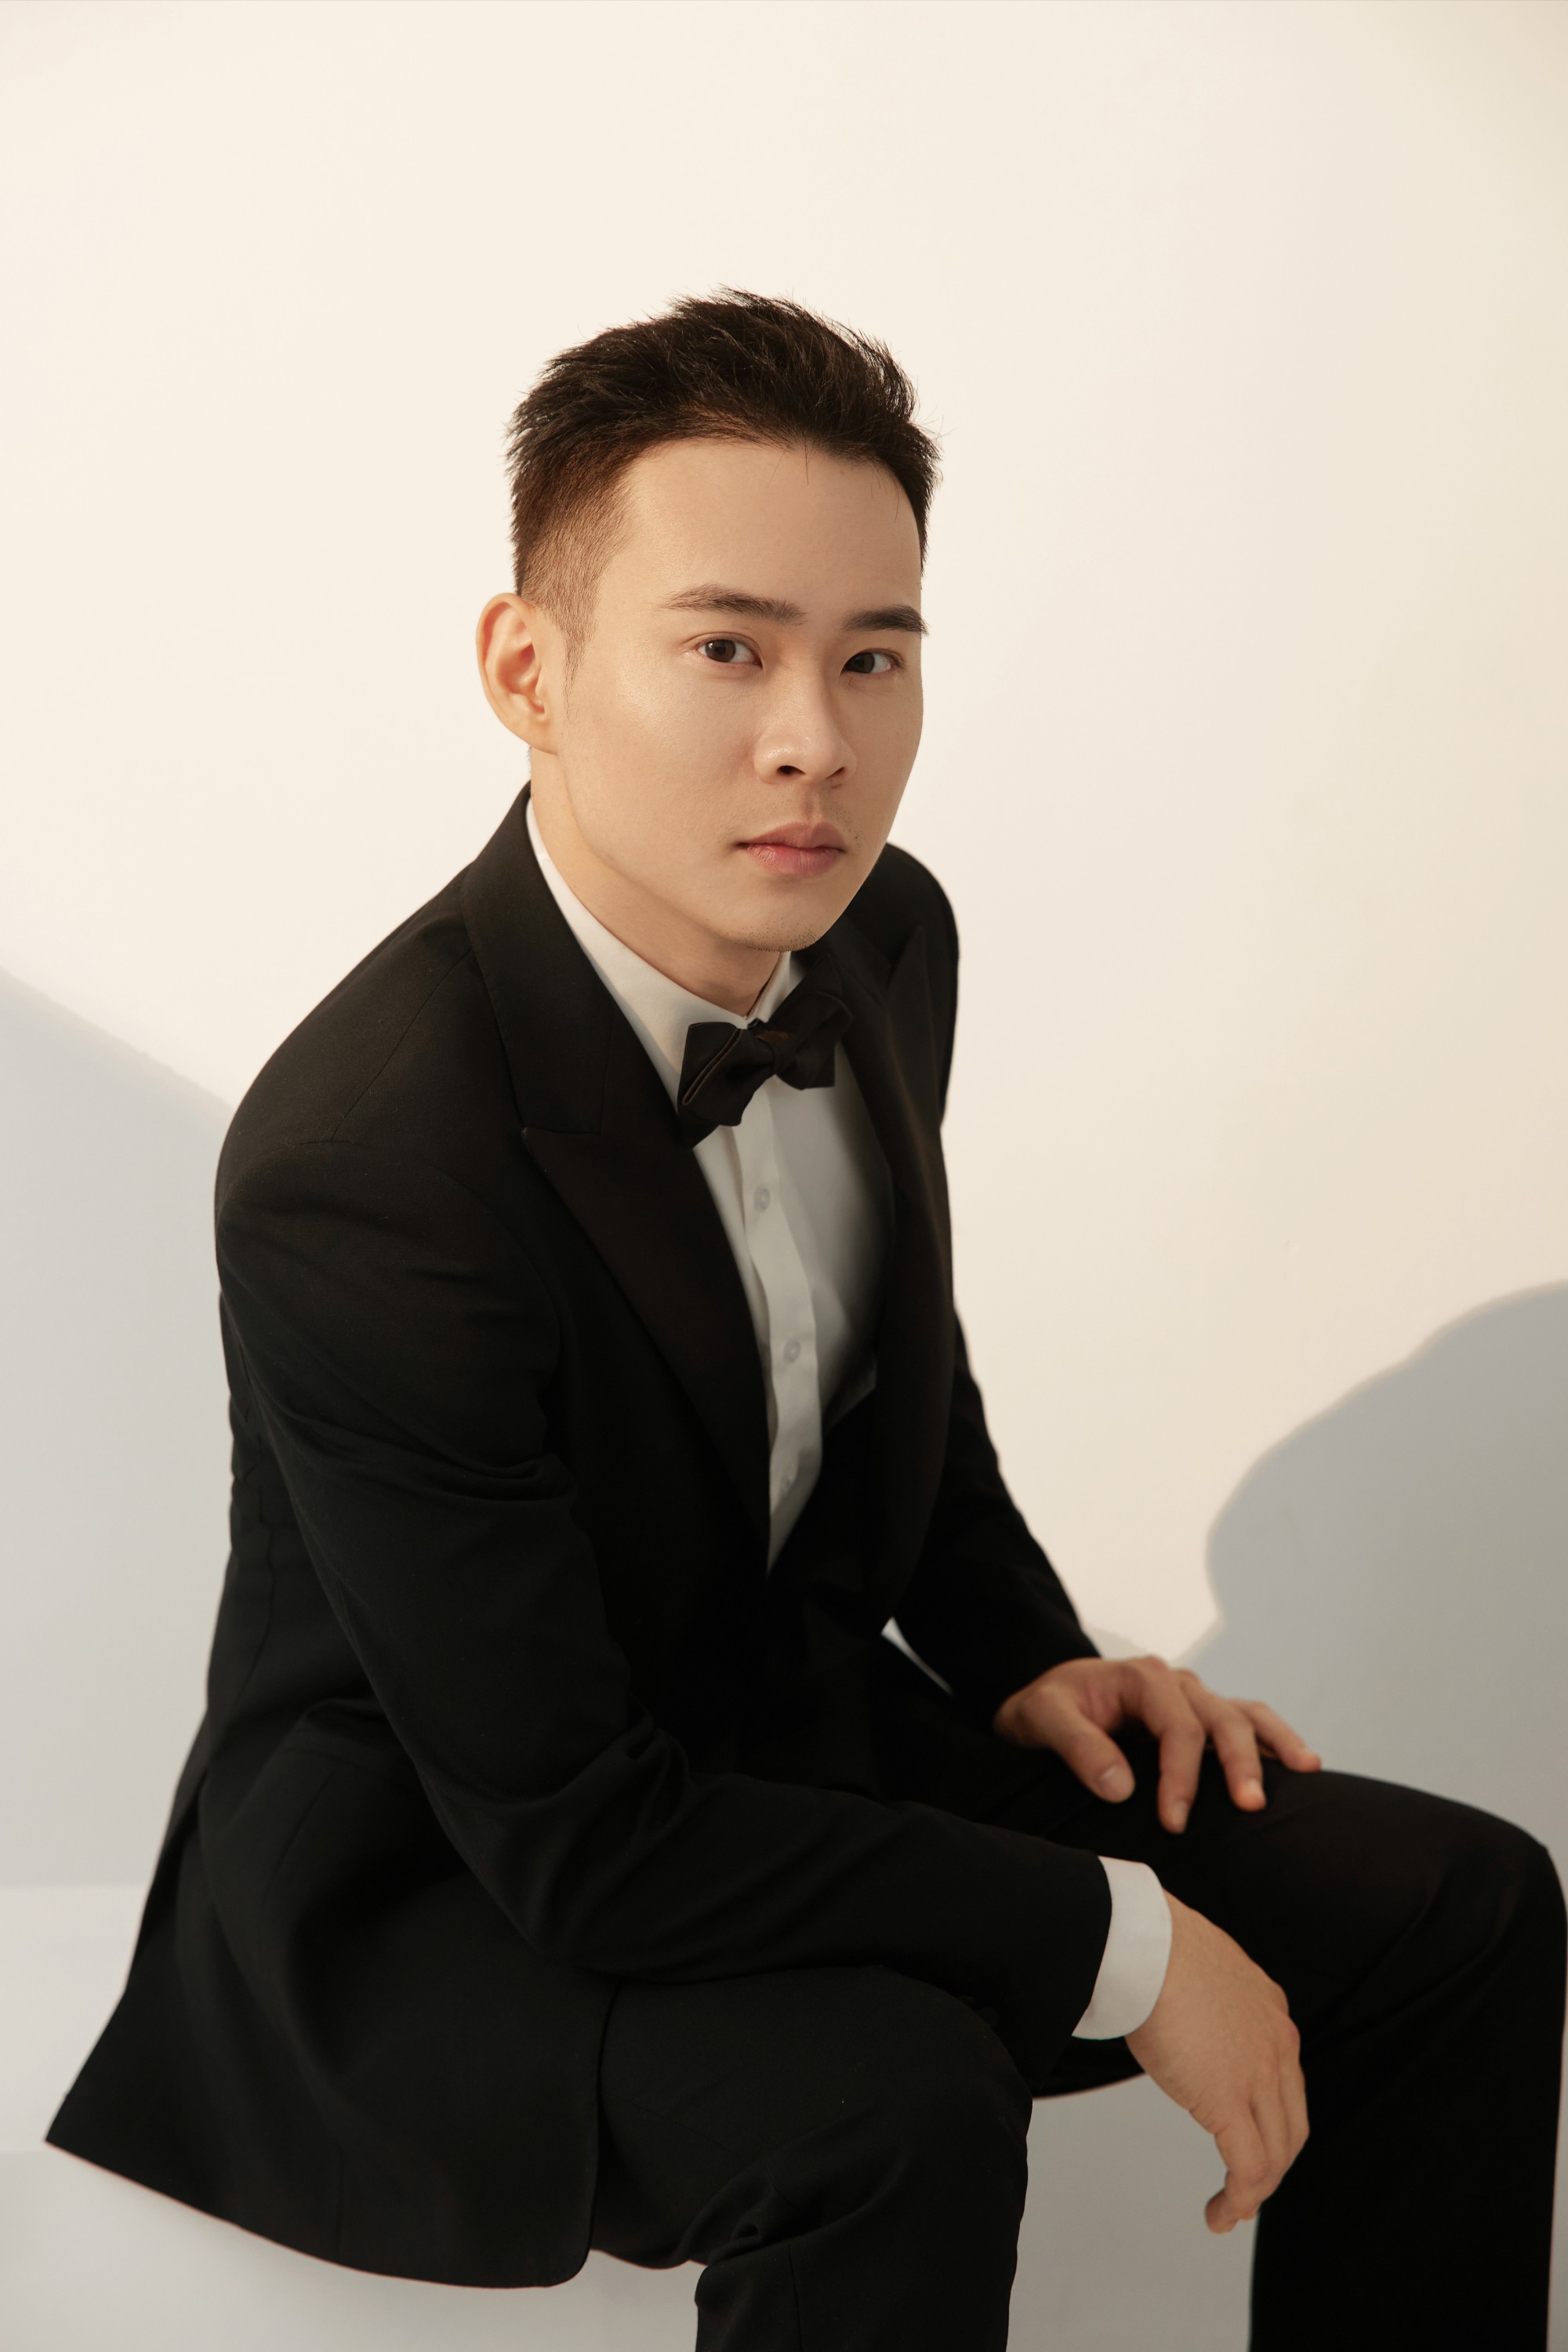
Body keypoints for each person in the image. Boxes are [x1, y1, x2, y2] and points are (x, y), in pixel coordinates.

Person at [49, 292, 1563, 2349]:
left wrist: (1028, 1656)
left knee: (1460, 1909)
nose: (817, 743)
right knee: (892, 2106)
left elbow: (882, 1347)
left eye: (874, 657)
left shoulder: (881, 934)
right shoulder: (368, 1163)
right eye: (728, 649)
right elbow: (579, 1838)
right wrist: (1123, 1942)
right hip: (457, 1874)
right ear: (528, 670)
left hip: (781, 1737)